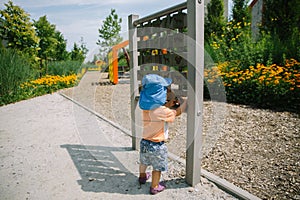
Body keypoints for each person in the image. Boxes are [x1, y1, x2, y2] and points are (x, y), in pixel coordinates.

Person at [138, 74, 187, 195]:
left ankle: (142, 176)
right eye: (165, 90)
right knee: (157, 167)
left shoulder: (146, 108)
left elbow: (160, 110)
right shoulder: (162, 111)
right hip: (157, 145)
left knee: (144, 161)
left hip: (144, 142)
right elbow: (176, 113)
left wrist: (168, 105)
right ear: (160, 94)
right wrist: (186, 102)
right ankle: (154, 186)